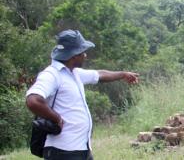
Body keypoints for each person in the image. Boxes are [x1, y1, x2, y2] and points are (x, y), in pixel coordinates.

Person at [25, 29, 139, 160]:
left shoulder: (74, 73)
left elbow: (100, 74)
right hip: (63, 152)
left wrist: (123, 74)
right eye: (83, 52)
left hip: (81, 149)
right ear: (74, 55)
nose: (85, 56)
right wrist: (56, 118)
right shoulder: (52, 74)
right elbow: (33, 100)